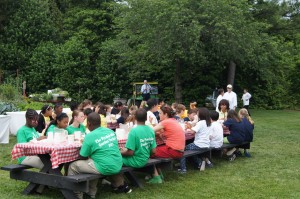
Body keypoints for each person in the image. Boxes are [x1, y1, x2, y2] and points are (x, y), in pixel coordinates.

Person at [68, 112, 131, 199]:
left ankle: (75, 195)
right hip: (117, 164)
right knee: (92, 162)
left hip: (105, 166)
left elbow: (83, 156)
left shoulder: (89, 136)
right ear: (100, 122)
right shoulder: (110, 131)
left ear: (88, 123)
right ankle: (91, 193)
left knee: (72, 166)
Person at [149, 105, 185, 183]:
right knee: (155, 149)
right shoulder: (173, 120)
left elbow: (150, 131)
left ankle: (156, 177)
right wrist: (159, 134)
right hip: (179, 150)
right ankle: (159, 174)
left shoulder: (166, 122)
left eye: (160, 113)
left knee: (148, 152)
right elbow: (165, 135)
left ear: (165, 114)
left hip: (174, 150)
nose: (159, 115)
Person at [179, 108, 211, 173]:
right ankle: (200, 163)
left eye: (197, 113)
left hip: (199, 145)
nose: (196, 115)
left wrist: (190, 127)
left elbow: (192, 132)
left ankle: (183, 169)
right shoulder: (208, 123)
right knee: (191, 151)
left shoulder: (201, 123)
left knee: (182, 150)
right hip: (206, 144)